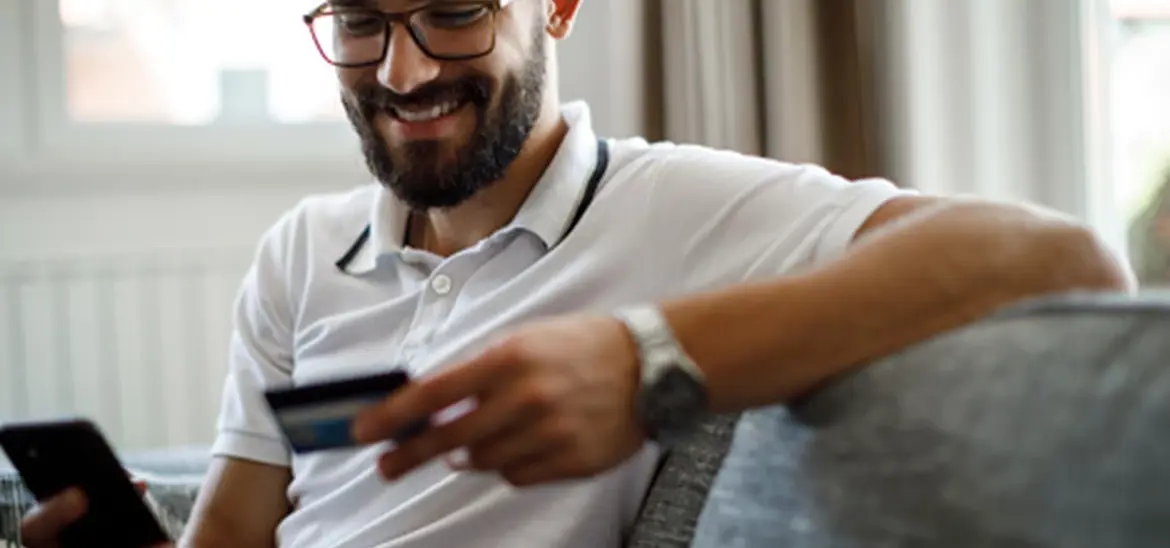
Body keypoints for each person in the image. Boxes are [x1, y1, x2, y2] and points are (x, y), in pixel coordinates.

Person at [20, 0, 1134, 547]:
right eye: (361, 21)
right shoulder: (299, 256)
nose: (403, 71)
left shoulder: (675, 207)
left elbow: (1061, 255)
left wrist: (647, 356)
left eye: (454, 11)